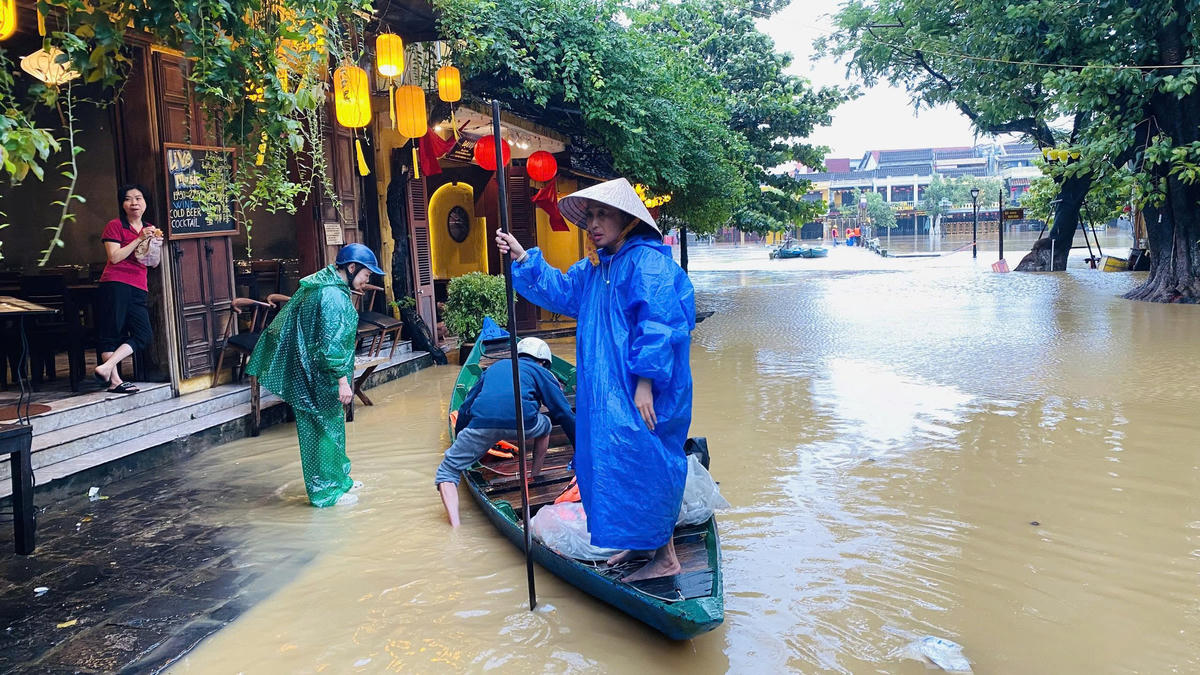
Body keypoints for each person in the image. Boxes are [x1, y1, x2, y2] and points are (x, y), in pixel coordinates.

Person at [494, 177, 695, 582]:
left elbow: (661, 324)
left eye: (603, 214)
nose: (594, 224)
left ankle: (666, 555)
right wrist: (523, 259)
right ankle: (639, 542)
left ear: (627, 219)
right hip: (605, 392)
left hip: (641, 389)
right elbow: (560, 292)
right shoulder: (595, 269)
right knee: (611, 461)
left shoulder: (647, 263)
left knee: (648, 462)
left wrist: (645, 383)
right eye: (590, 216)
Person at [245, 243, 383, 508]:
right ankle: (325, 493)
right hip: (321, 376)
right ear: (352, 268)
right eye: (367, 274)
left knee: (331, 429)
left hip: (314, 372)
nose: (368, 281)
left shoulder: (322, 287)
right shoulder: (332, 296)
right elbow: (330, 345)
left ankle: (339, 481)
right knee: (322, 432)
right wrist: (343, 380)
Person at [436, 337, 576, 527]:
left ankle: (455, 528)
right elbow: (563, 413)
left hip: (482, 424)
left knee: (447, 472)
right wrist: (579, 450)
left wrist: (462, 435)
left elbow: (467, 405)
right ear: (543, 362)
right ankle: (534, 475)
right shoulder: (542, 372)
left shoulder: (494, 368)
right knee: (546, 426)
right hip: (524, 425)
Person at [93, 185, 161, 395]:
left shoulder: (150, 227)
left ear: (145, 202)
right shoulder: (114, 226)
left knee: (144, 335)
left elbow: (153, 263)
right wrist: (139, 238)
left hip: (139, 286)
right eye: (129, 199)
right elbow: (114, 257)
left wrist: (155, 243)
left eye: (138, 198)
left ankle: (106, 367)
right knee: (111, 334)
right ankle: (115, 381)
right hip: (115, 284)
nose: (134, 203)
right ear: (122, 204)